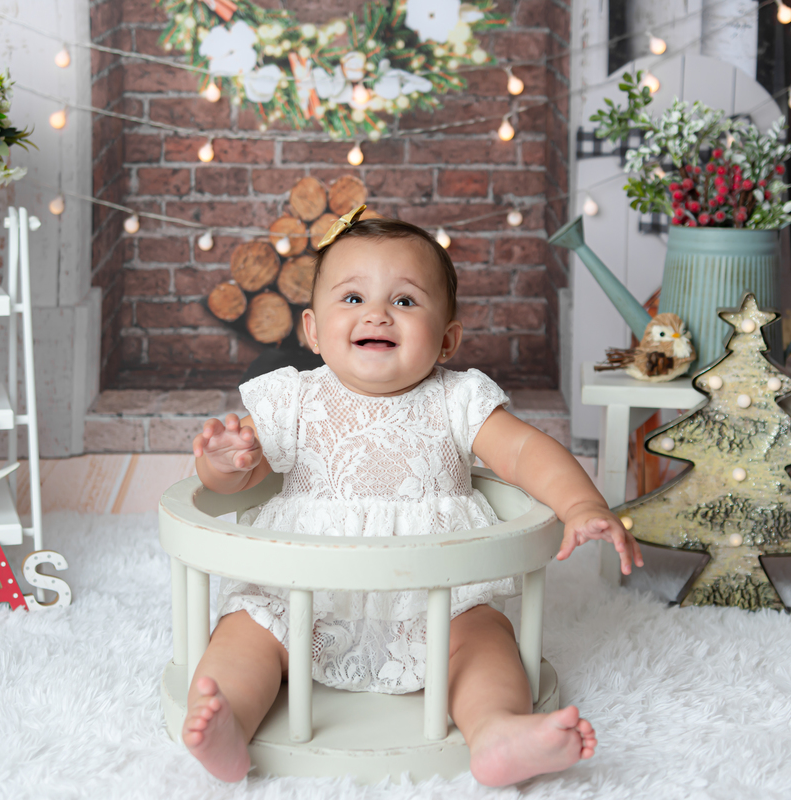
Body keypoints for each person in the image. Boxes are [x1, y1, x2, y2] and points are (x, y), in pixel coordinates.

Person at [186, 207, 642, 786]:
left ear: (448, 338)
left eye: (404, 301)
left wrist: (582, 505)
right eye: (352, 298)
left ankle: (497, 730)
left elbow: (528, 453)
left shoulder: (458, 401)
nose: (376, 312)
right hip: (304, 597)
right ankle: (228, 716)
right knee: (247, 629)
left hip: (435, 602)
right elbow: (236, 480)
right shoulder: (293, 401)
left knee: (483, 640)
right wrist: (224, 462)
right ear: (313, 331)